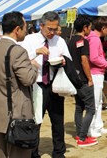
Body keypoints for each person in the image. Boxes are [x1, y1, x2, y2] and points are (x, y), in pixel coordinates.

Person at [0, 11, 39, 158]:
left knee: (3, 154)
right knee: (19, 154)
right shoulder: (18, 51)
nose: (26, 30)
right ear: (17, 29)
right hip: (17, 113)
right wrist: (34, 65)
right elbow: (28, 79)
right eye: (25, 26)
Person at [22, 11, 71, 158]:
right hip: (37, 85)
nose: (52, 32)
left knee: (58, 121)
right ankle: (33, 153)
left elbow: (68, 59)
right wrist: (35, 53)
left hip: (54, 85)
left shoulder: (59, 41)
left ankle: (58, 152)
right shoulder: (29, 40)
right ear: (41, 25)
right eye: (49, 29)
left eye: (55, 29)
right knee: (36, 120)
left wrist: (63, 60)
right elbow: (20, 58)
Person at [68, 15, 97, 147]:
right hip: (83, 80)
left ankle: (79, 134)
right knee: (91, 109)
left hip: (74, 80)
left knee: (79, 107)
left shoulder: (70, 40)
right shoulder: (83, 41)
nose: (90, 30)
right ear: (84, 27)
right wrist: (90, 78)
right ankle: (83, 137)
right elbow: (84, 60)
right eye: (90, 27)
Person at [86, 17, 107, 137]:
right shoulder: (95, 39)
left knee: (99, 101)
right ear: (103, 28)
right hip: (95, 73)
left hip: (97, 73)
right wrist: (106, 64)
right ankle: (91, 128)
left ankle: (98, 125)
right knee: (95, 102)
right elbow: (94, 58)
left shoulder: (93, 38)